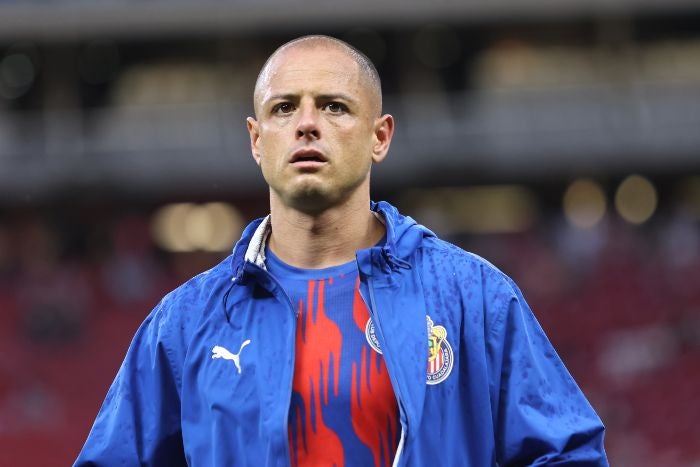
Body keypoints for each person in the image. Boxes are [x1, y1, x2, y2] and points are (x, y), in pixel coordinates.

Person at [75, 35, 608, 466]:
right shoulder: (184, 325)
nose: (307, 123)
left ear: (380, 136)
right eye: (284, 108)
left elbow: (568, 455)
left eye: (334, 106)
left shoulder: (473, 298)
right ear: (257, 140)